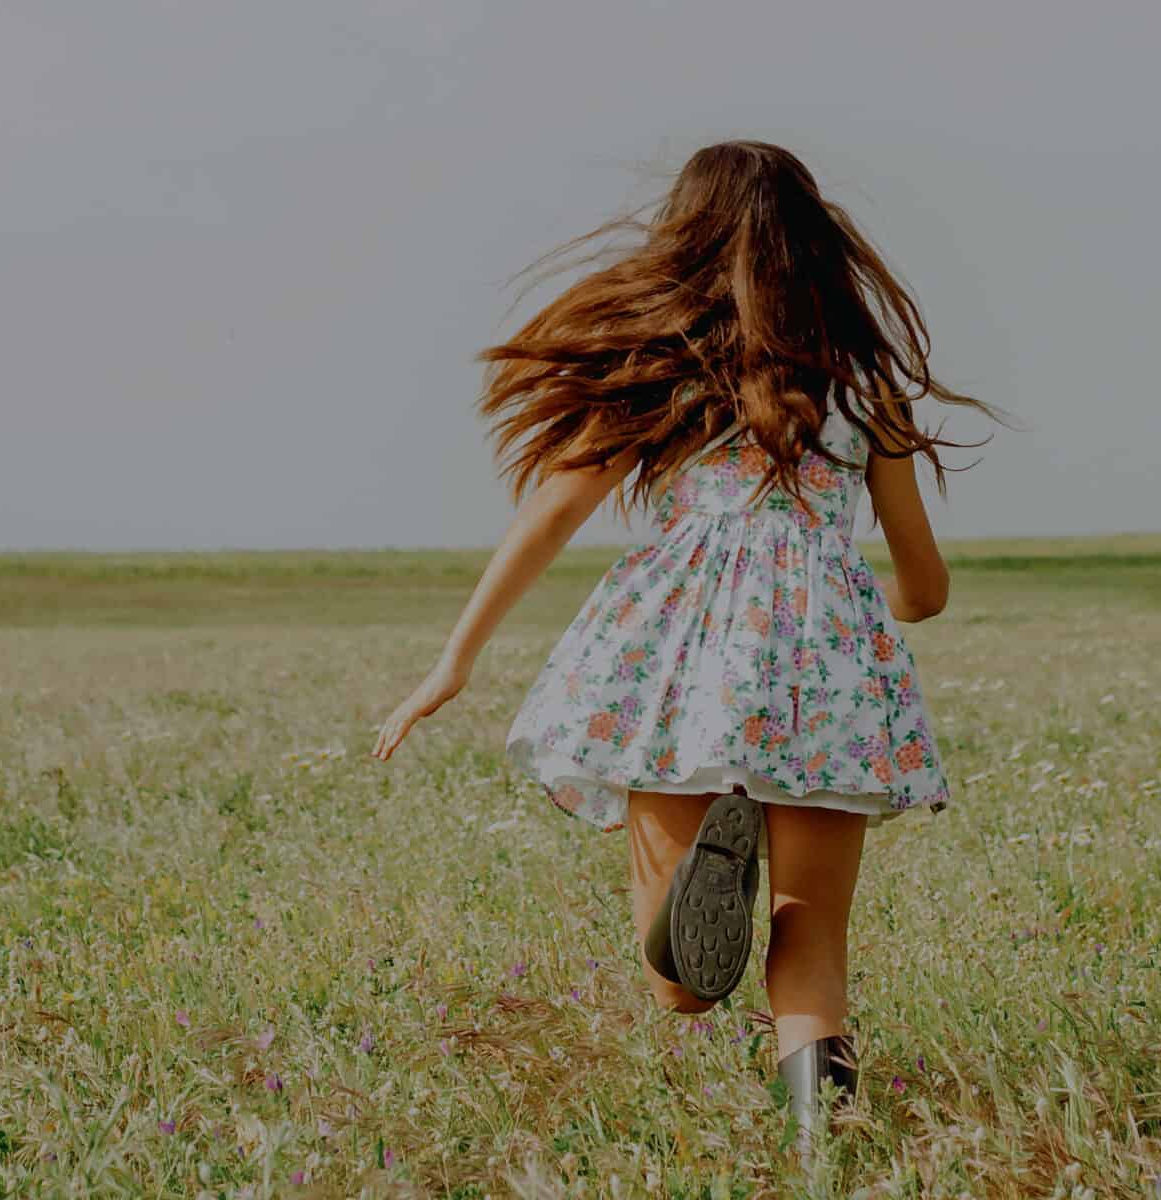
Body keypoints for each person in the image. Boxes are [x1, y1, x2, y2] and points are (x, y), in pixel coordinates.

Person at [369, 140, 1003, 1153]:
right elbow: (922, 587)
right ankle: (817, 1151)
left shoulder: (665, 372)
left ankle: (700, 891)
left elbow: (546, 516)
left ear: (688, 240)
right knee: (810, 937)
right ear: (815, 247)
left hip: (678, 661)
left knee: (678, 991)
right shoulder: (862, 390)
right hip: (823, 669)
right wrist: (857, 602)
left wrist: (453, 662)